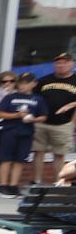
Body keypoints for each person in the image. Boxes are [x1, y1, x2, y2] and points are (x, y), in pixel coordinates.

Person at [0, 74, 45, 197]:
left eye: (26, 83)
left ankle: (13, 186)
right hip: (9, 131)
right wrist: (16, 115)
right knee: (6, 159)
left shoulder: (37, 99)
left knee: (20, 160)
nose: (22, 85)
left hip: (26, 132)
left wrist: (33, 119)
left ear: (33, 84)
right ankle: (3, 185)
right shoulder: (10, 97)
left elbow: (43, 116)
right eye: (20, 83)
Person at [36, 52, 76, 187]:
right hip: (41, 123)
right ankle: (36, 181)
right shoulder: (43, 80)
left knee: (59, 154)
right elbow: (32, 99)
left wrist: (73, 105)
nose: (61, 65)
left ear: (71, 64)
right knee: (38, 152)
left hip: (63, 124)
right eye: (58, 62)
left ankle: (59, 182)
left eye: (65, 62)